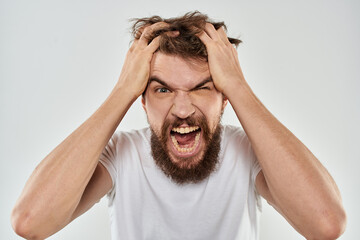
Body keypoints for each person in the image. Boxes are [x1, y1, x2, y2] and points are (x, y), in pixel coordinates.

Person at [11, 11, 346, 240]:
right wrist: (121, 91)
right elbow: (30, 222)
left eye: (202, 87)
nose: (183, 109)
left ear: (225, 96)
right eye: (162, 89)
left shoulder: (248, 151)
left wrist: (239, 86)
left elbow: (326, 224)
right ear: (142, 99)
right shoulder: (123, 154)